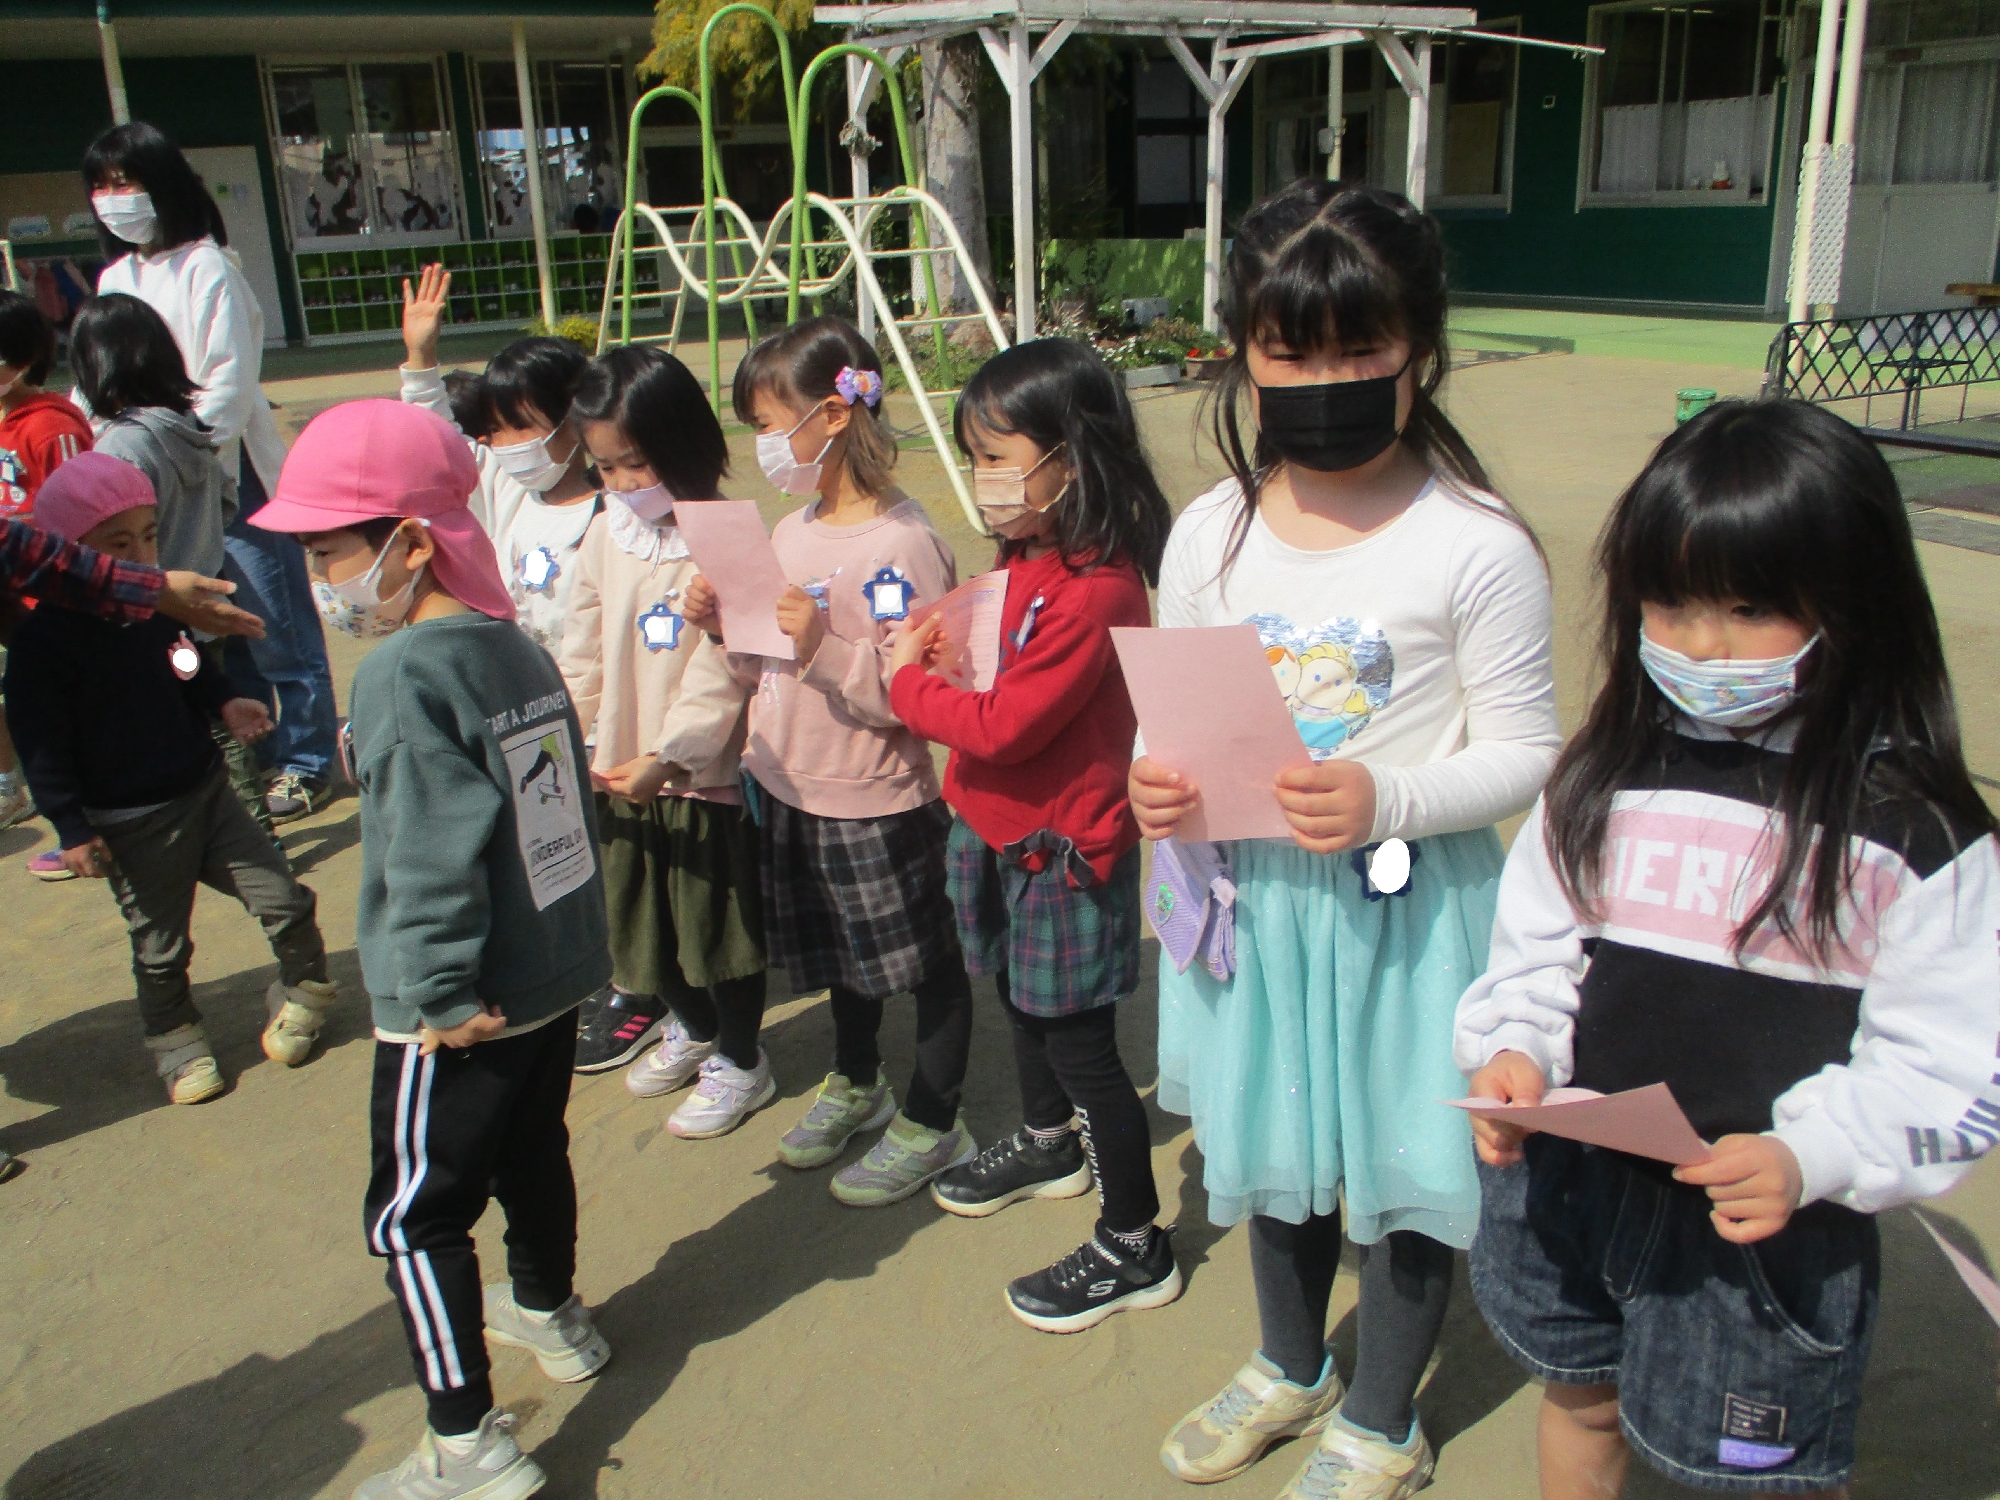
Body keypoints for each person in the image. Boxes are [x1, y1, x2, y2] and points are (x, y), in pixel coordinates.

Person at [1456, 398, 2000, 1500]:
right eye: (1670, 604)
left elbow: (1948, 1067)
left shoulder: (1914, 832)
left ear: (1853, 599)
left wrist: (1811, 1155)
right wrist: (1514, 1052)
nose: (1701, 646)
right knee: (1580, 1400)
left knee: (1763, 1475)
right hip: (1575, 1181)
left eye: (1749, 608)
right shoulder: (1603, 771)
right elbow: (1537, 954)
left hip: (1766, 1227)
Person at [1128, 180, 1560, 1499]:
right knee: (1273, 1151)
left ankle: (1381, 1418)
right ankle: (1289, 1363)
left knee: (1408, 1161)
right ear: (1241, 352)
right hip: (1254, 906)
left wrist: (1390, 797)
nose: (1324, 383)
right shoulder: (1210, 532)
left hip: (1410, 916)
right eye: (1289, 353)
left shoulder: (1475, 543)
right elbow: (1177, 721)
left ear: (1421, 349)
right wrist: (1158, 787)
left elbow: (1530, 749)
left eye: (1359, 350)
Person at [251, 398, 613, 1500]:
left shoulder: (403, 674)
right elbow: (560, 811)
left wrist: (437, 992)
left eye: (330, 552)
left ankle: (466, 1441)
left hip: (460, 1000)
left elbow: (422, 856)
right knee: (530, 1152)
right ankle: (550, 1310)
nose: (321, 579)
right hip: (547, 971)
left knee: (414, 1218)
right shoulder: (509, 642)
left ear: (411, 543)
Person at [890, 337, 1179, 1329]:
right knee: (1019, 999)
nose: (982, 478)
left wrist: (906, 683)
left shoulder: (1100, 585)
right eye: (974, 456)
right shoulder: (1026, 556)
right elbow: (992, 671)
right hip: (993, 829)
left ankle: (1136, 1240)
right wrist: (937, 649)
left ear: (1072, 455)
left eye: (997, 456)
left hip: (1061, 854)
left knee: (1081, 1041)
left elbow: (1005, 727)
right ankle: (1048, 1141)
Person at [680, 314, 976, 1198]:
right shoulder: (788, 532)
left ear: (835, 414)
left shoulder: (903, 543)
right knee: (842, 956)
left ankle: (936, 1118)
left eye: (770, 424)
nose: (763, 445)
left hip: (875, 796)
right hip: (788, 784)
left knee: (924, 964)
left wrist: (822, 646)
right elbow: (756, 666)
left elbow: (919, 696)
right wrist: (721, 625)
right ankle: (858, 1078)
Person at [5, 452, 337, 1103]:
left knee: (285, 900)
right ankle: (176, 1040)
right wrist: (71, 828)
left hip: (210, 797)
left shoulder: (151, 606)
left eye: (150, 535)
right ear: (67, 554)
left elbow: (183, 661)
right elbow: (43, 747)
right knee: (161, 948)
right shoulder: (42, 644)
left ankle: (304, 992)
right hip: (132, 827)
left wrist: (223, 699)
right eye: (118, 543)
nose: (141, 556)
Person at [85, 120, 339, 825]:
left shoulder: (207, 266)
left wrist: (179, 450)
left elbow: (226, 381)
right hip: (155, 486)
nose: (113, 198)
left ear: (161, 184)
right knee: (210, 624)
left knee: (274, 622)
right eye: (101, 186)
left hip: (227, 471)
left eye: (125, 182)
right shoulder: (116, 279)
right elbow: (97, 382)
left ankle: (309, 758)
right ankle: (257, 751)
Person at [556, 345, 766, 1088]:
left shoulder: (728, 534)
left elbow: (731, 664)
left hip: (697, 773)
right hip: (616, 764)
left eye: (636, 463)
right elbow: (580, 645)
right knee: (635, 918)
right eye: (605, 467)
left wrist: (673, 755)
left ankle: (742, 1058)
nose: (622, 483)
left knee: (715, 930)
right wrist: (570, 738)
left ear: (683, 444)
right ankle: (695, 1027)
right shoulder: (605, 531)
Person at [400, 264, 598, 657]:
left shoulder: (617, 508)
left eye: (522, 426)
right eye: (495, 429)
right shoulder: (502, 487)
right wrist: (420, 355)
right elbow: (434, 438)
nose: (506, 444)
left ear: (576, 418)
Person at [0, 289, 93, 832]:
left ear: (22, 358)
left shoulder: (53, 427)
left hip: (53, 604)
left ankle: (85, 823)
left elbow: (79, 523)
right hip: (12, 602)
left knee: (67, 718)